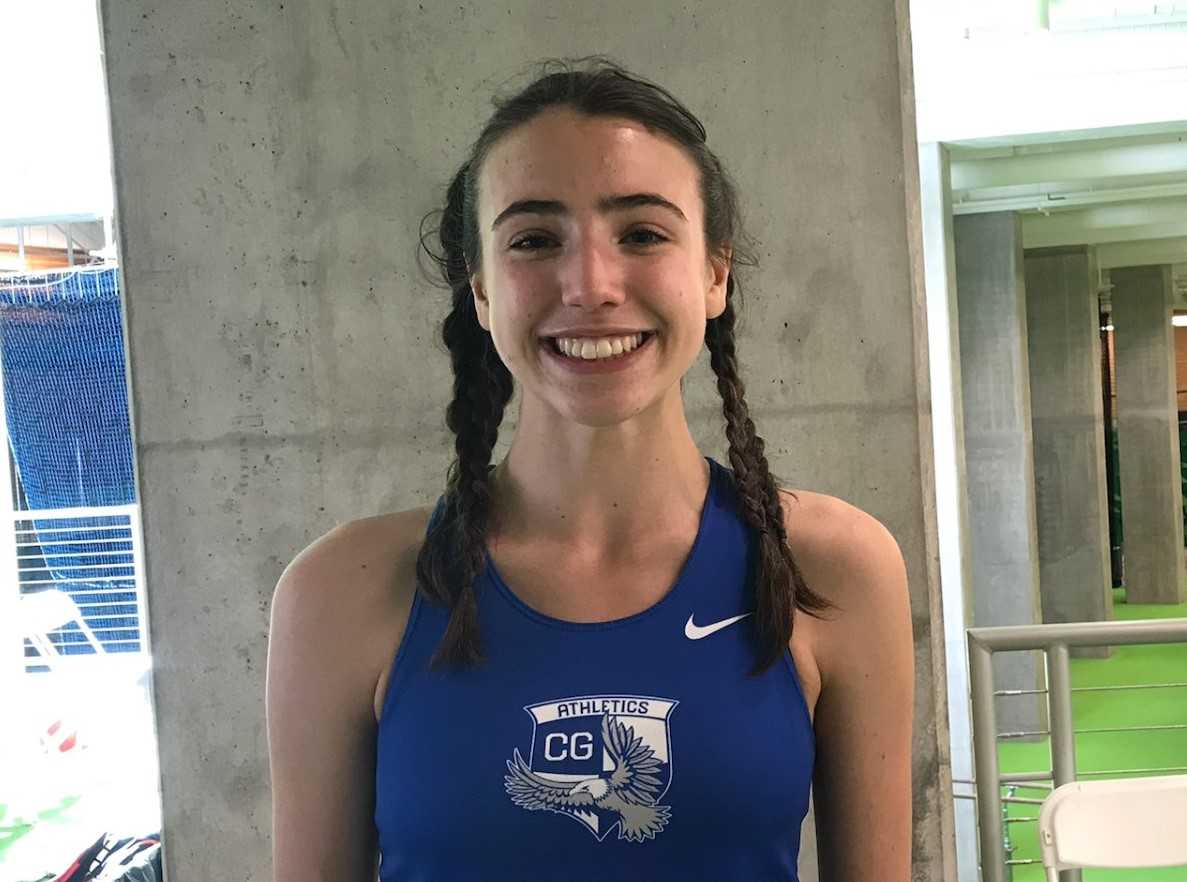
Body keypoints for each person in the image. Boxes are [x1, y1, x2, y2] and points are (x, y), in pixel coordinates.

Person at [266, 57, 914, 882]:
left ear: (714, 273)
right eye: (534, 240)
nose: (590, 285)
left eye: (641, 233)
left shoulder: (829, 568)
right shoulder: (343, 592)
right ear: (481, 292)